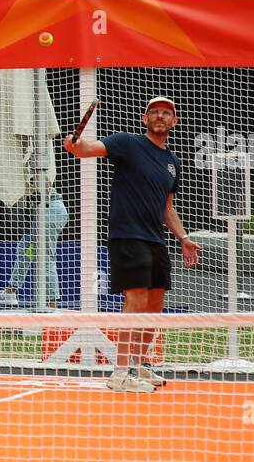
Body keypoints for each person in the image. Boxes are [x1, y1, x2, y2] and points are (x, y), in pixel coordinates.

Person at [63, 97, 201, 392]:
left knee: (154, 306)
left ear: (174, 122)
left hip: (156, 239)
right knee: (135, 300)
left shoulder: (172, 162)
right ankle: (120, 372)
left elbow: (167, 208)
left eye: (166, 113)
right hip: (128, 235)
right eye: (155, 112)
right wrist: (76, 146)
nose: (160, 116)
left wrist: (184, 238)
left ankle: (138, 364)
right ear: (145, 118)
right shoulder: (128, 143)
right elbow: (89, 149)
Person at [0, 179, 69, 307]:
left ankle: (51, 303)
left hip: (50, 210)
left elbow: (46, 182)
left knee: (46, 257)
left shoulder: (32, 171)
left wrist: (39, 194)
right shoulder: (14, 184)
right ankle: (10, 291)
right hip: (43, 213)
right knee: (25, 249)